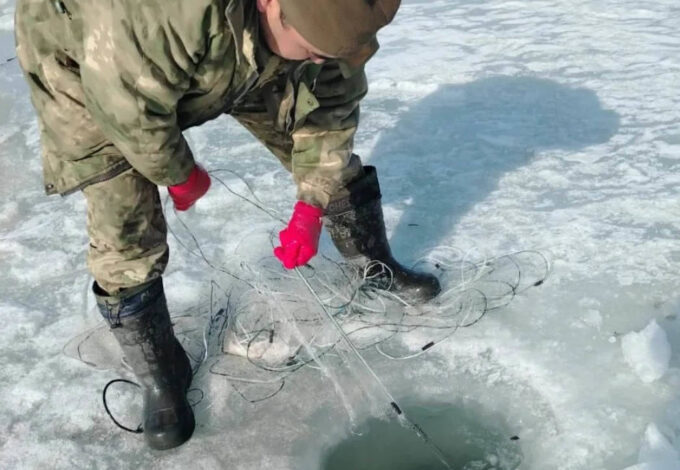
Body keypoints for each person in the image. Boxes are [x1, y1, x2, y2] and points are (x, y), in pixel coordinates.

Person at [14, 0, 441, 450]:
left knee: (324, 154)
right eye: (314, 50)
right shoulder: (165, 14)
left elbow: (331, 108)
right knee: (123, 219)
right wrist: (180, 174)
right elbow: (128, 111)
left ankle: (375, 267)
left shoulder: (337, 21)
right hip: (90, 64)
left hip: (232, 51)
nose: (322, 60)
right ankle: (163, 372)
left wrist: (312, 204)